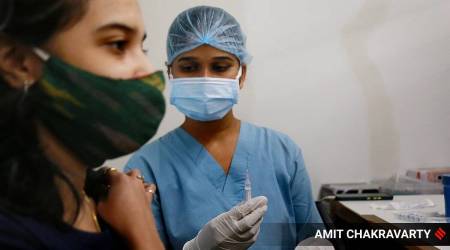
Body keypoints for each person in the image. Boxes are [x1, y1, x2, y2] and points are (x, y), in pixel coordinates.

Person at [125, 5, 324, 250]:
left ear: (242, 74)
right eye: (189, 67)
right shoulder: (145, 168)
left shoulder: (282, 152)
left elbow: (312, 235)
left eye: (220, 67)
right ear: (171, 73)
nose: (206, 78)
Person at [0, 0, 166, 249]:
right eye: (118, 44)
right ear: (19, 62)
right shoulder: (10, 234)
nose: (148, 70)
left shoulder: (101, 200)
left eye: (142, 48)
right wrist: (143, 231)